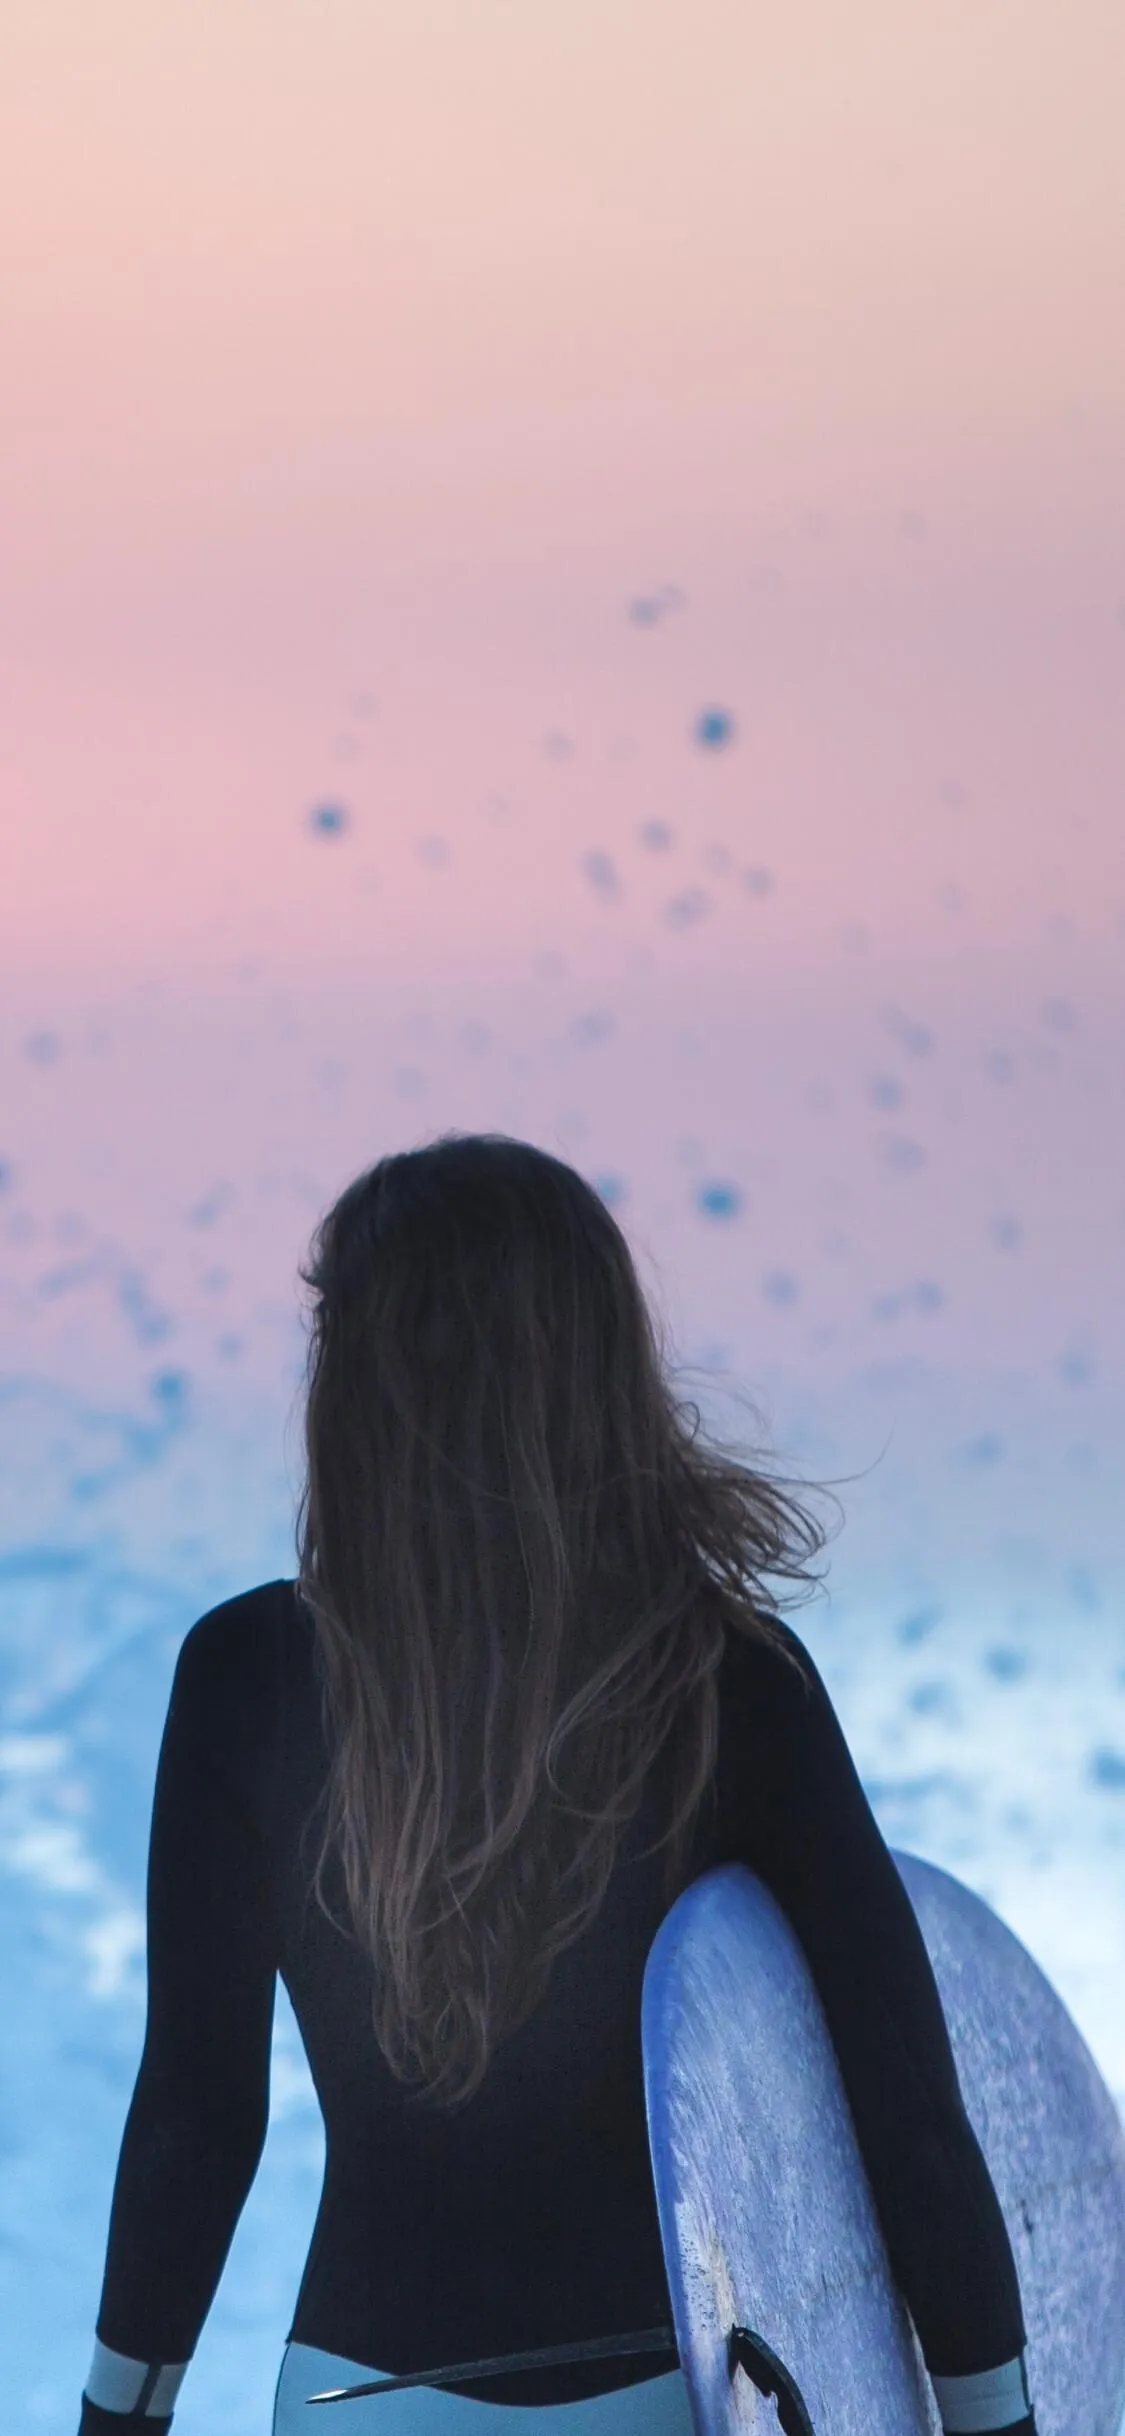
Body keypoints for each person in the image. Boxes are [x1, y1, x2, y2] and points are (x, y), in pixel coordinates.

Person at [77, 1133, 1037, 2436]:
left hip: (364, 2399)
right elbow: (908, 2113)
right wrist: (997, 2420)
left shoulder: (247, 1678)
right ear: (596, 1372)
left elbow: (196, 2119)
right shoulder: (728, 1681)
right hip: (678, 2388)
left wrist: (117, 2420)